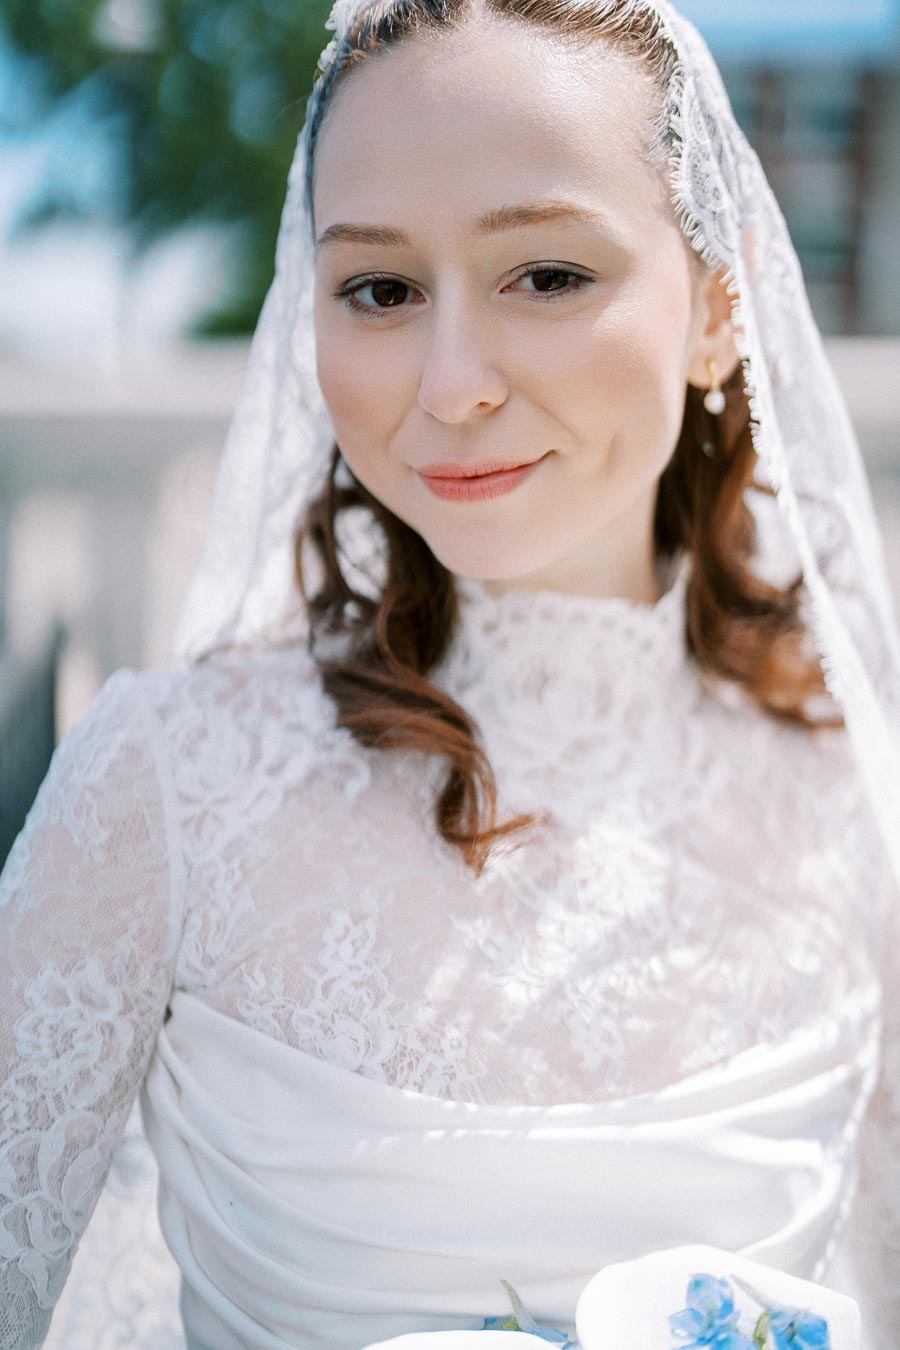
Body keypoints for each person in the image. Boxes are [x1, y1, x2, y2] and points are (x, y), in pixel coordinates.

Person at [2, 1, 899, 1347]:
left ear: (720, 306)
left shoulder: (856, 811)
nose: (452, 385)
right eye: (381, 290)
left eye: (546, 274)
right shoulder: (166, 786)